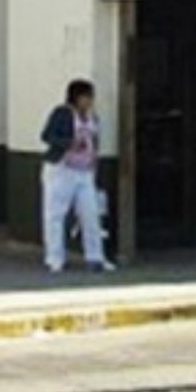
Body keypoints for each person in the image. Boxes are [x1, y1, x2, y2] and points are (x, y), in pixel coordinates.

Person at [40, 79, 114, 275]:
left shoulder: (93, 118)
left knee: (90, 214)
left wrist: (94, 163)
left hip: (84, 172)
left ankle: (96, 257)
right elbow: (47, 136)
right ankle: (55, 258)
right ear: (76, 97)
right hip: (61, 169)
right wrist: (68, 143)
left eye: (91, 97)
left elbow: (94, 141)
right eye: (86, 97)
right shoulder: (63, 114)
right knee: (55, 214)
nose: (89, 101)